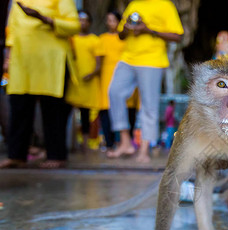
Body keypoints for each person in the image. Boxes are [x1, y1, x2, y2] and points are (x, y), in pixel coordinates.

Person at [0, 0, 80, 169]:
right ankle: (17, 155)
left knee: (53, 111)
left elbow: (74, 26)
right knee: (19, 109)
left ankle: (56, 155)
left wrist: (44, 18)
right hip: (22, 61)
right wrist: (8, 57)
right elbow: (12, 32)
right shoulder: (18, 2)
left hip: (51, 61)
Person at [107, 0, 184, 163]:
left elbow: (177, 36)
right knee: (114, 92)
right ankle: (125, 142)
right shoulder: (134, 4)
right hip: (127, 59)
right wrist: (127, 29)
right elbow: (121, 35)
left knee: (149, 105)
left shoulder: (165, 5)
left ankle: (144, 149)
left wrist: (148, 30)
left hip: (152, 61)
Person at [98, 11, 140, 151]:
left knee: (129, 109)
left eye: (113, 20)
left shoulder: (129, 37)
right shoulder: (103, 39)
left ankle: (126, 142)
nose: (111, 23)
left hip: (127, 74)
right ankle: (110, 144)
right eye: (108, 20)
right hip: (108, 76)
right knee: (107, 108)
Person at [66, 10, 103, 152]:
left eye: (85, 20)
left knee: (86, 114)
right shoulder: (70, 38)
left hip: (88, 83)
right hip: (73, 83)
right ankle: (71, 143)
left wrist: (91, 74)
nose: (82, 23)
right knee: (68, 114)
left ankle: (85, 145)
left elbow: (99, 63)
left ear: (89, 23)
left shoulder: (94, 40)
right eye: (79, 20)